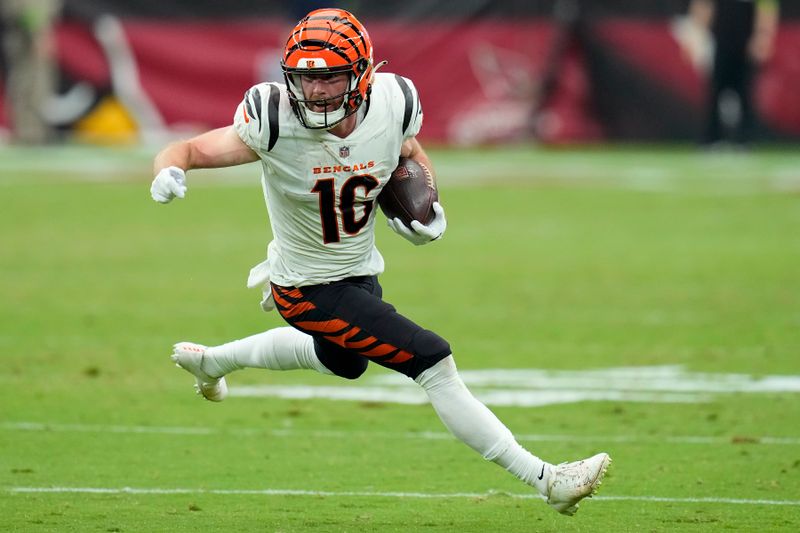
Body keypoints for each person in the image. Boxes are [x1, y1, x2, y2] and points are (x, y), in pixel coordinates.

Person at [150, 8, 610, 516]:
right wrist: (169, 170)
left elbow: (408, 150)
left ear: (362, 75)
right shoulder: (274, 121)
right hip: (305, 288)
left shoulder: (393, 102)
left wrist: (430, 202)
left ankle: (213, 362)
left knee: (342, 362)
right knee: (431, 359)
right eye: (305, 78)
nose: (317, 91)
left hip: (360, 272)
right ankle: (547, 479)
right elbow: (189, 147)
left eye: (329, 77)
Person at [686, 0, 779, 146]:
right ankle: (712, 140)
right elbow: (702, 5)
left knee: (746, 93)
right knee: (715, 92)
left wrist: (763, 36)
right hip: (719, 44)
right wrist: (697, 36)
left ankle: (745, 141)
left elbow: (767, 9)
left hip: (746, 46)